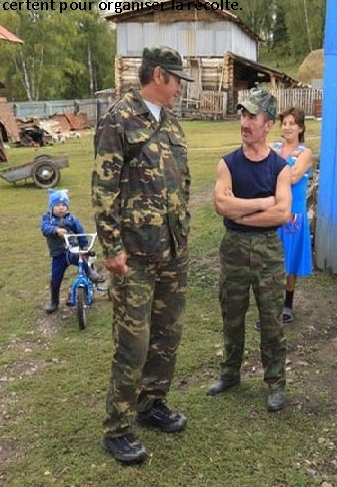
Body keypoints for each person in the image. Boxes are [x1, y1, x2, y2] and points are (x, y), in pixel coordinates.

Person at [92, 46, 193, 465]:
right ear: (157, 75)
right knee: (133, 342)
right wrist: (112, 248)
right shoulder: (118, 118)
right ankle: (116, 429)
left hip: (171, 250)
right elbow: (103, 188)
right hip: (133, 254)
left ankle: (152, 404)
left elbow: (181, 182)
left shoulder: (170, 122)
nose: (180, 90)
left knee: (167, 334)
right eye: (175, 80)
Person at [207, 87, 292, 412]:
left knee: (271, 318)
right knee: (232, 315)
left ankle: (276, 383)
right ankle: (230, 374)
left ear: (267, 123)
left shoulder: (279, 167)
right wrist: (260, 203)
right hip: (234, 249)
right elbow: (220, 205)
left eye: (252, 116)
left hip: (269, 250)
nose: (245, 122)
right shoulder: (227, 164)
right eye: (242, 114)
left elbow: (282, 213)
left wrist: (240, 211)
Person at [260, 108, 313, 327]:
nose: (287, 127)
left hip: (293, 213)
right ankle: (268, 309)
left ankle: (287, 305)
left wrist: (272, 170)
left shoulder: (305, 152)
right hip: (272, 210)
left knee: (289, 260)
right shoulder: (274, 147)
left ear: (300, 127)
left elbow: (293, 177)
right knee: (267, 260)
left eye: (292, 123)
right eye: (284, 123)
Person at [40, 188, 103, 314]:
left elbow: (80, 232)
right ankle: (54, 301)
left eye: (64, 205)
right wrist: (55, 230)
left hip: (72, 250)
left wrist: (84, 246)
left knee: (81, 259)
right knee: (55, 278)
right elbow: (44, 228)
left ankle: (89, 272)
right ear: (51, 207)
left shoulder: (72, 219)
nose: (61, 208)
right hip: (58, 254)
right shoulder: (48, 218)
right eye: (57, 205)